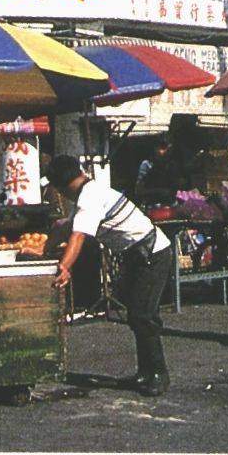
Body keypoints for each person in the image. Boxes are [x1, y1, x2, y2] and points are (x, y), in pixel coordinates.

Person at [49, 154, 175, 396]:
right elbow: (68, 227)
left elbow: (78, 236)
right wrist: (44, 248)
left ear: (62, 187)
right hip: (138, 256)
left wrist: (64, 267)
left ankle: (158, 374)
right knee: (137, 316)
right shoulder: (91, 191)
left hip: (153, 254)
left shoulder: (89, 198)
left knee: (143, 315)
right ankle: (145, 373)